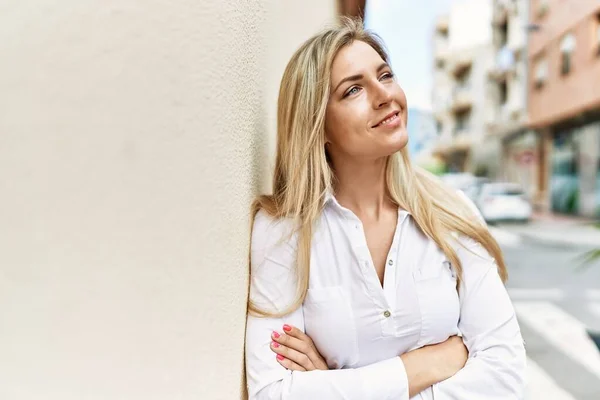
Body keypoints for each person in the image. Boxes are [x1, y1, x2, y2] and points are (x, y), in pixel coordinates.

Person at [245, 17, 526, 400]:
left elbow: (505, 376)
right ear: (318, 125)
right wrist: (426, 365)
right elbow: (273, 393)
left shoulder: (451, 212)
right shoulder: (283, 230)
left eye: (386, 75)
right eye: (354, 90)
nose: (384, 95)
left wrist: (334, 383)